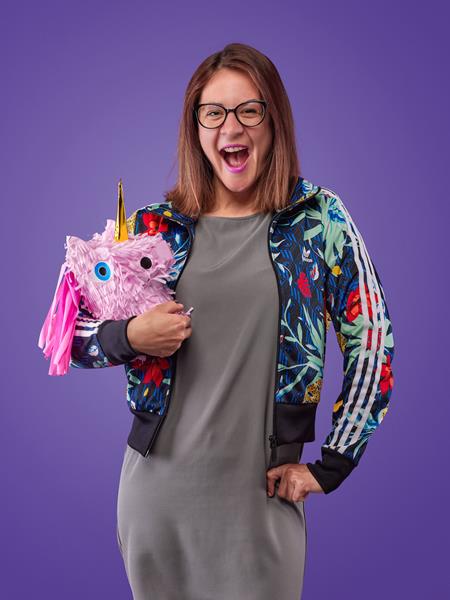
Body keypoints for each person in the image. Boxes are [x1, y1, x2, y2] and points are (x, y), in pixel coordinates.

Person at [69, 43, 395, 600]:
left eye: (249, 110)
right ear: (196, 126)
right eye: (213, 112)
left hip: (260, 504)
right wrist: (129, 335)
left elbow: (372, 342)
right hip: (157, 498)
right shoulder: (153, 228)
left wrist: (332, 463)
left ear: (274, 121)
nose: (231, 126)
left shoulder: (317, 221)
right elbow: (70, 338)